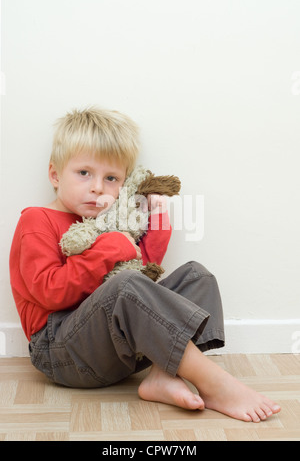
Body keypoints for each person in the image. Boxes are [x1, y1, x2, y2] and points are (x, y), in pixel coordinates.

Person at [9, 107, 281, 422]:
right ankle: (213, 382)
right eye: (84, 173)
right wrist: (107, 250)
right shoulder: (37, 220)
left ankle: (162, 375)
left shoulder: (107, 222)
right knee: (125, 287)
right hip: (60, 352)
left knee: (197, 276)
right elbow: (50, 293)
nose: (98, 187)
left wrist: (158, 217)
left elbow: (142, 271)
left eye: (111, 178)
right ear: (55, 175)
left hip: (116, 349)